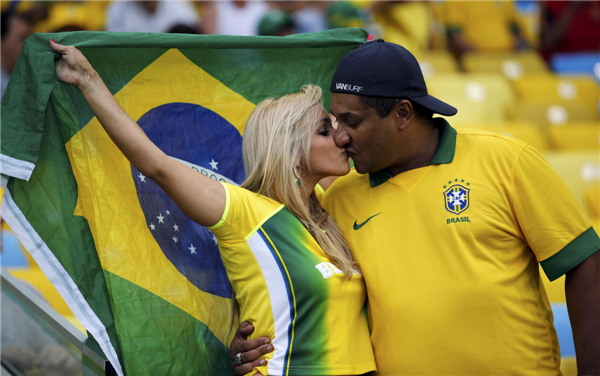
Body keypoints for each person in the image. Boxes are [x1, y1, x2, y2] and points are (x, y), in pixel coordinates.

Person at [230, 40, 600, 376]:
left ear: (403, 114)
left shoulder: (507, 161)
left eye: (353, 122)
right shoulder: (336, 202)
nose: (341, 136)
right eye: (336, 122)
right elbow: (307, 293)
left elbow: (584, 264)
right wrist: (257, 347)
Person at [49, 39, 376, 376]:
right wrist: (88, 81)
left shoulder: (328, 210)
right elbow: (156, 164)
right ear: (290, 152)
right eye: (325, 130)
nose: (341, 138)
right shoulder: (243, 212)